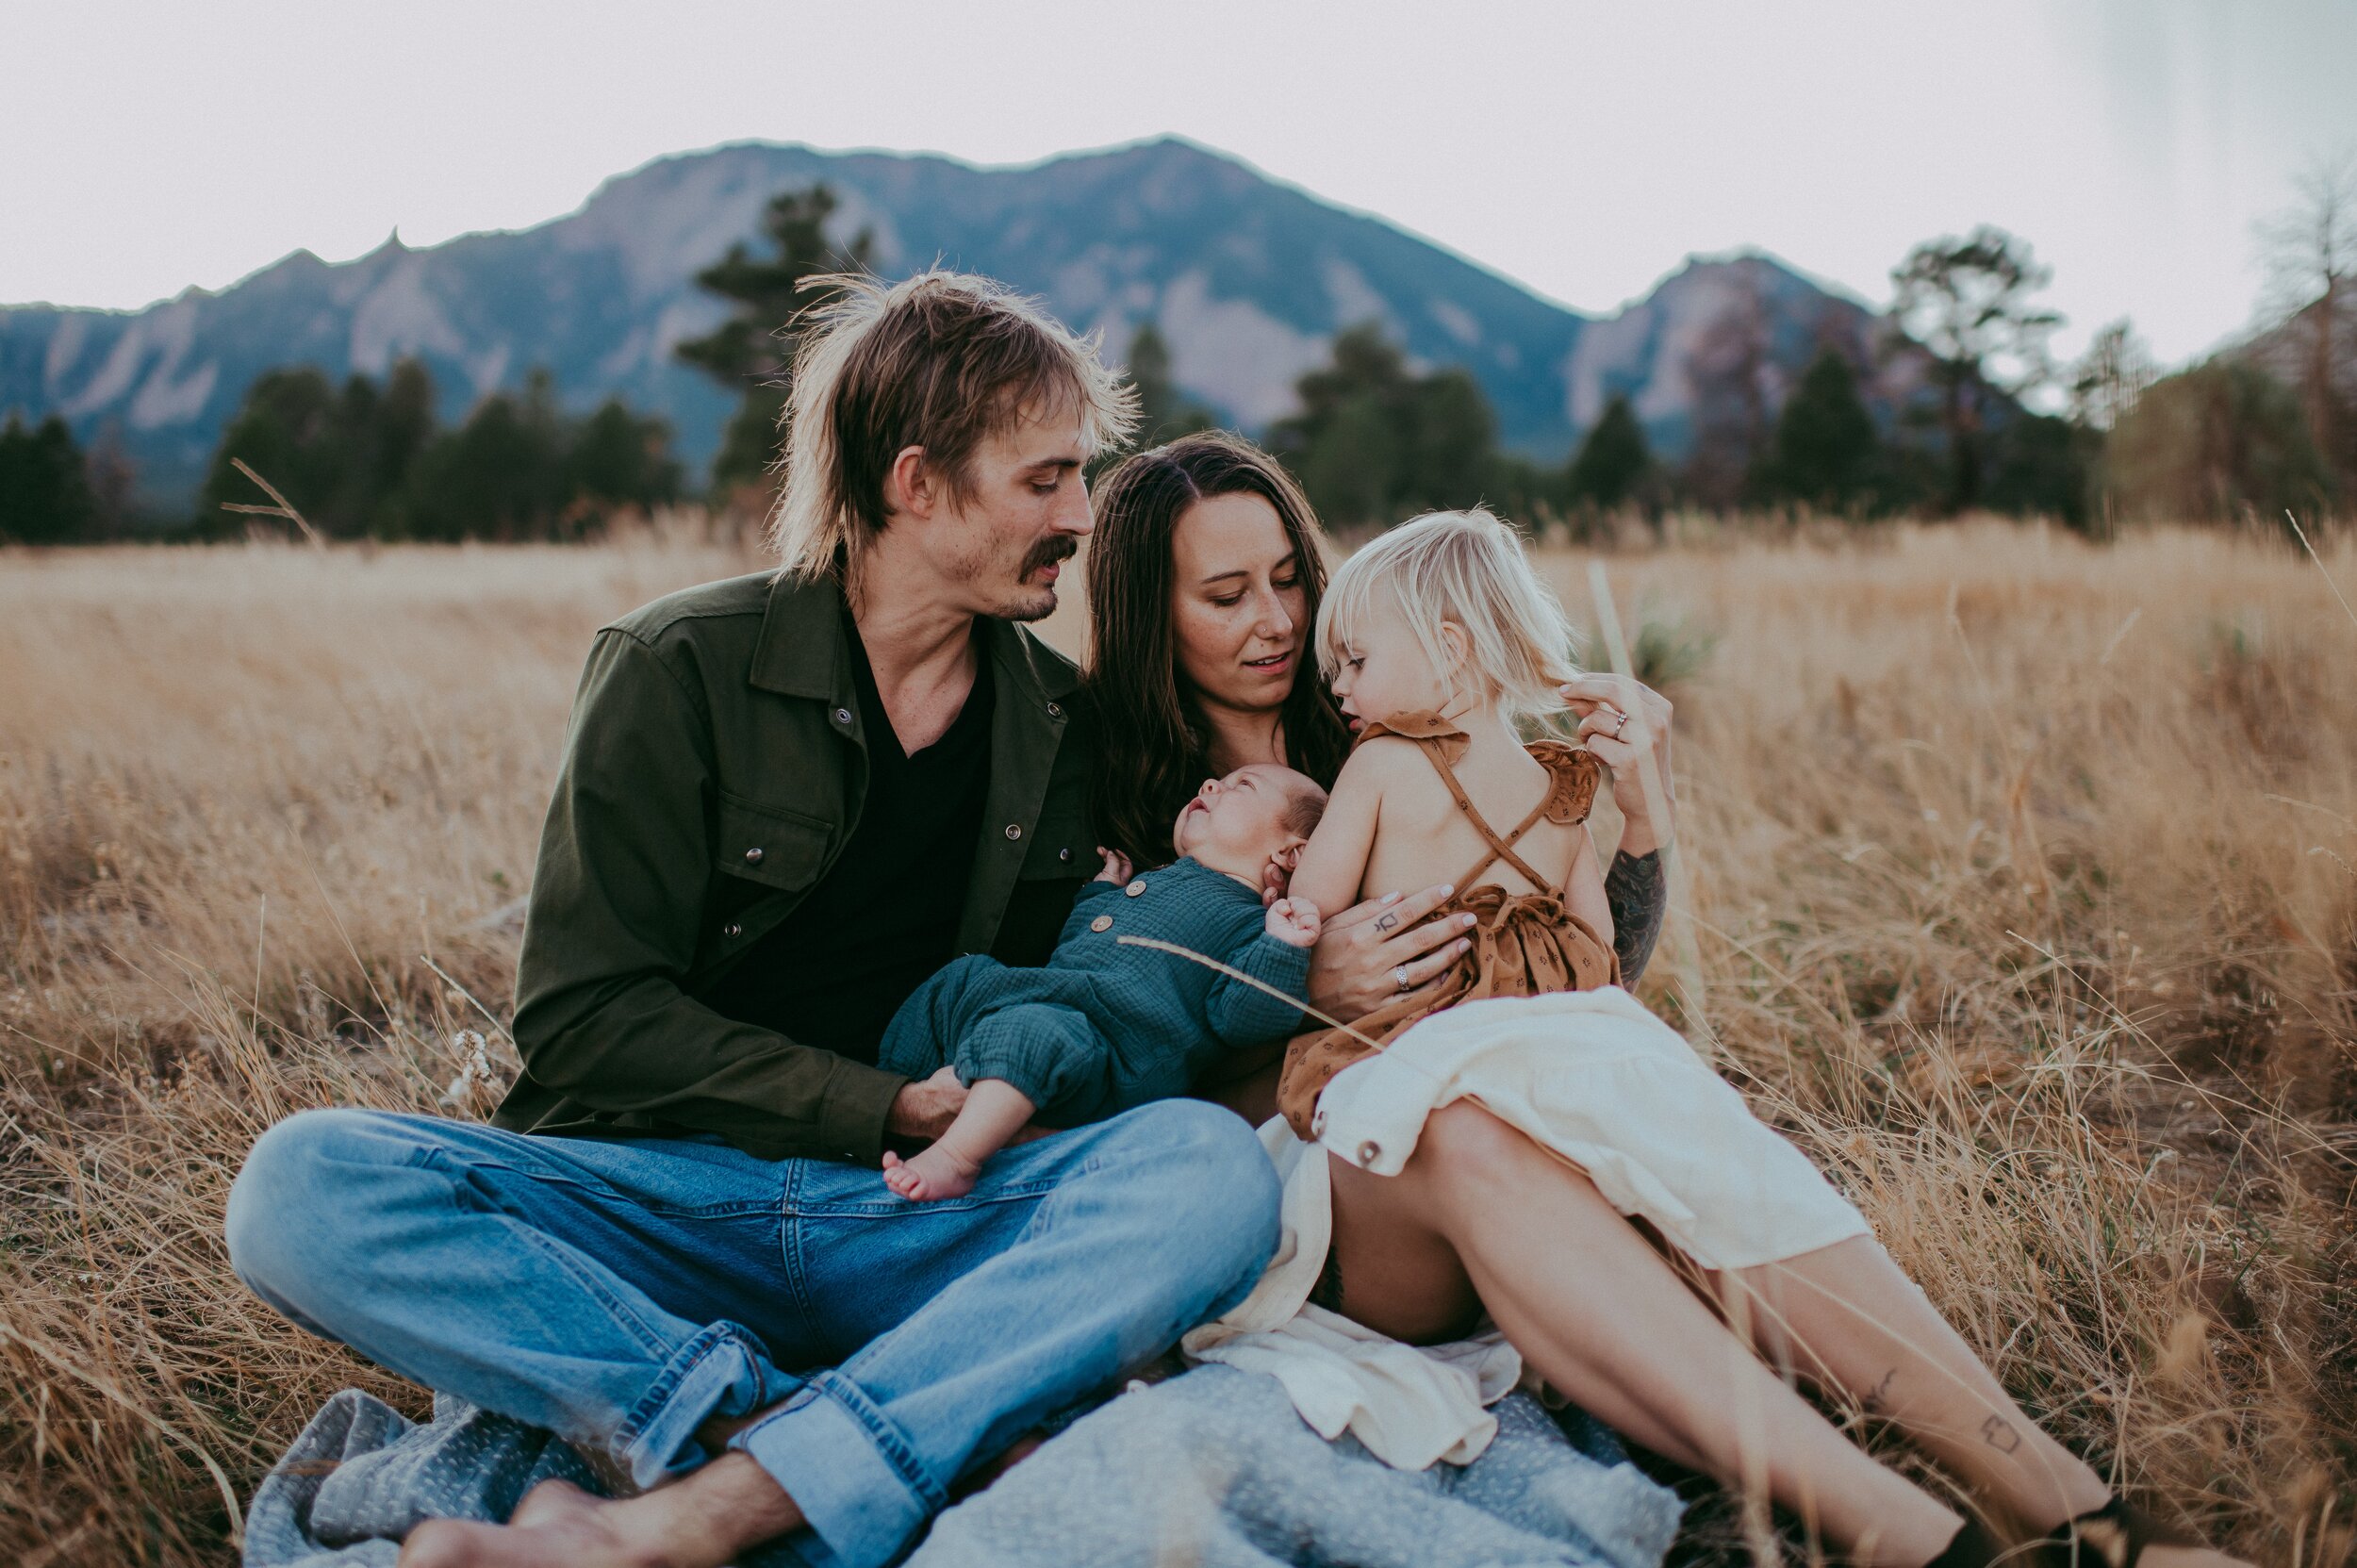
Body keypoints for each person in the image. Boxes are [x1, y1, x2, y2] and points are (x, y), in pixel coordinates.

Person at [221, 272, 1284, 1568]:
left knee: (1206, 1170)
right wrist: (885, 1105)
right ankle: (761, 1429)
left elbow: (1119, 962)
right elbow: (582, 1017)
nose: (1079, 514)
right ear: (917, 482)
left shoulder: (1064, 725)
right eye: (1046, 479)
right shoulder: (679, 667)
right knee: (300, 1182)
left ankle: (688, 1506)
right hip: (662, 1206)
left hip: (912, 1217)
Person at [1085, 433, 2245, 1568]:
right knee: (1464, 1128)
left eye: (1290, 578)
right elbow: (1101, 1068)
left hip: (1512, 1127)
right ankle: (1904, 1536)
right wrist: (1297, 986)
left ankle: (2081, 1512)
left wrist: (1641, 817)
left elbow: (1575, 985)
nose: (1278, 620)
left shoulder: (1399, 715)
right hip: (1320, 1195)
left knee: (1678, 1137)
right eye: (1226, 594)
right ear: (1151, 615)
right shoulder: (1126, 809)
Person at [877, 763, 1327, 1200]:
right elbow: (1076, 946)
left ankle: (956, 1158)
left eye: (1241, 785)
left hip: (1108, 1051)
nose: (1211, 784)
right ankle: (891, 1102)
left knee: (1035, 1033)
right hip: (1048, 1001)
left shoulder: (1251, 924)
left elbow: (1243, 1018)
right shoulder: (1159, 876)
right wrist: (1102, 894)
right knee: (962, 977)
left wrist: (1282, 948)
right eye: (1219, 780)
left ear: (1290, 853)